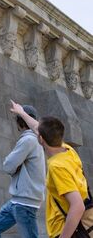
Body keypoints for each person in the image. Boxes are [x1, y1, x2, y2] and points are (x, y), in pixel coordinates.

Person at [10, 100, 88, 238]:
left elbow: (77, 206)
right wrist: (21, 112)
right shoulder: (68, 150)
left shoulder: (57, 167)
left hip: (65, 231)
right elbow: (38, 128)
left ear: (40, 139)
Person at [0, 104, 46, 238]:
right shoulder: (35, 140)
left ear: (19, 121)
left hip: (25, 203)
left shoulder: (28, 140)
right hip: (17, 201)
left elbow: (7, 166)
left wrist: (15, 167)